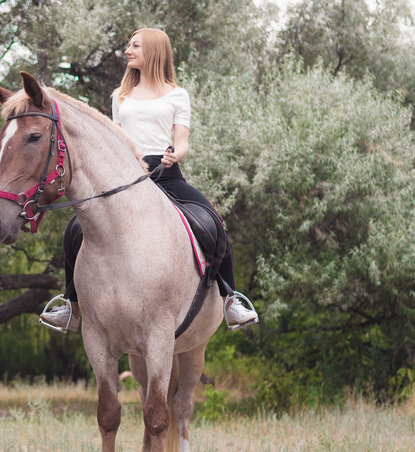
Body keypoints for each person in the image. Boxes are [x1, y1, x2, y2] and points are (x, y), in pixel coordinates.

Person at [39, 27, 258, 333]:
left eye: (135, 46)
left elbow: (183, 141)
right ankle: (70, 305)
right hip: (125, 175)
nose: (128, 51)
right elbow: (114, 138)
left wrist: (175, 155)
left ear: (153, 51)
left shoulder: (177, 95)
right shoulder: (121, 96)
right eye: (129, 45)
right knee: (75, 229)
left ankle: (231, 299)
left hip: (165, 172)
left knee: (211, 223)